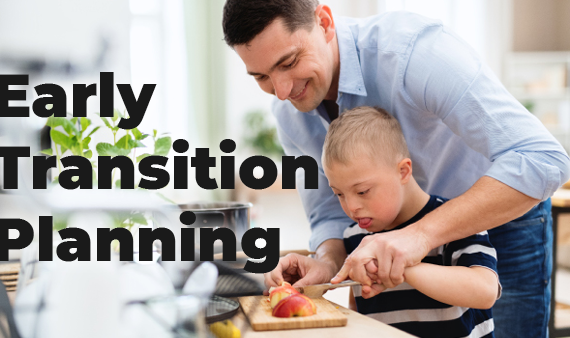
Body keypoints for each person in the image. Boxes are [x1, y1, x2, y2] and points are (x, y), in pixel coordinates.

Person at [222, 1, 570, 337]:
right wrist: (327, 261)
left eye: (289, 62)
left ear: (324, 23)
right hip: (391, 248)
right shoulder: (288, 116)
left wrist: (418, 236)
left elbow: (542, 159)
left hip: (498, 217)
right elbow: (328, 213)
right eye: (261, 77)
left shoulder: (414, 54)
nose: (281, 92)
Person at [322, 106, 499, 337]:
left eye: (363, 191)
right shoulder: (356, 237)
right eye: (339, 194)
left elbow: (485, 291)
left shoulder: (454, 222)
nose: (351, 206)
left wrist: (399, 268)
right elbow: (360, 310)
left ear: (403, 171)